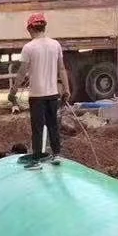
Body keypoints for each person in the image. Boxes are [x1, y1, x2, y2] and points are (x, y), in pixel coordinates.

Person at [13, 13, 70, 163]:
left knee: (37, 129)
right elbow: (62, 69)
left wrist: (13, 91)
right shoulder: (55, 45)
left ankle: (37, 159)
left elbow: (21, 73)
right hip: (52, 94)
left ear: (30, 28)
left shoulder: (28, 48)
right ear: (44, 27)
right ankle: (56, 155)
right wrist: (67, 89)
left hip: (36, 96)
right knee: (53, 126)